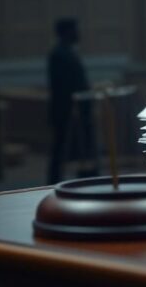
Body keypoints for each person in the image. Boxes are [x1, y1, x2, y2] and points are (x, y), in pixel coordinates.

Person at [47, 18, 93, 184]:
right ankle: (54, 183)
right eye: (75, 30)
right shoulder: (59, 54)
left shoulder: (67, 52)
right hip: (67, 111)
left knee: (78, 150)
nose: (78, 33)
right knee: (61, 150)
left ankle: (85, 179)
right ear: (66, 32)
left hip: (74, 110)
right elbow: (65, 87)